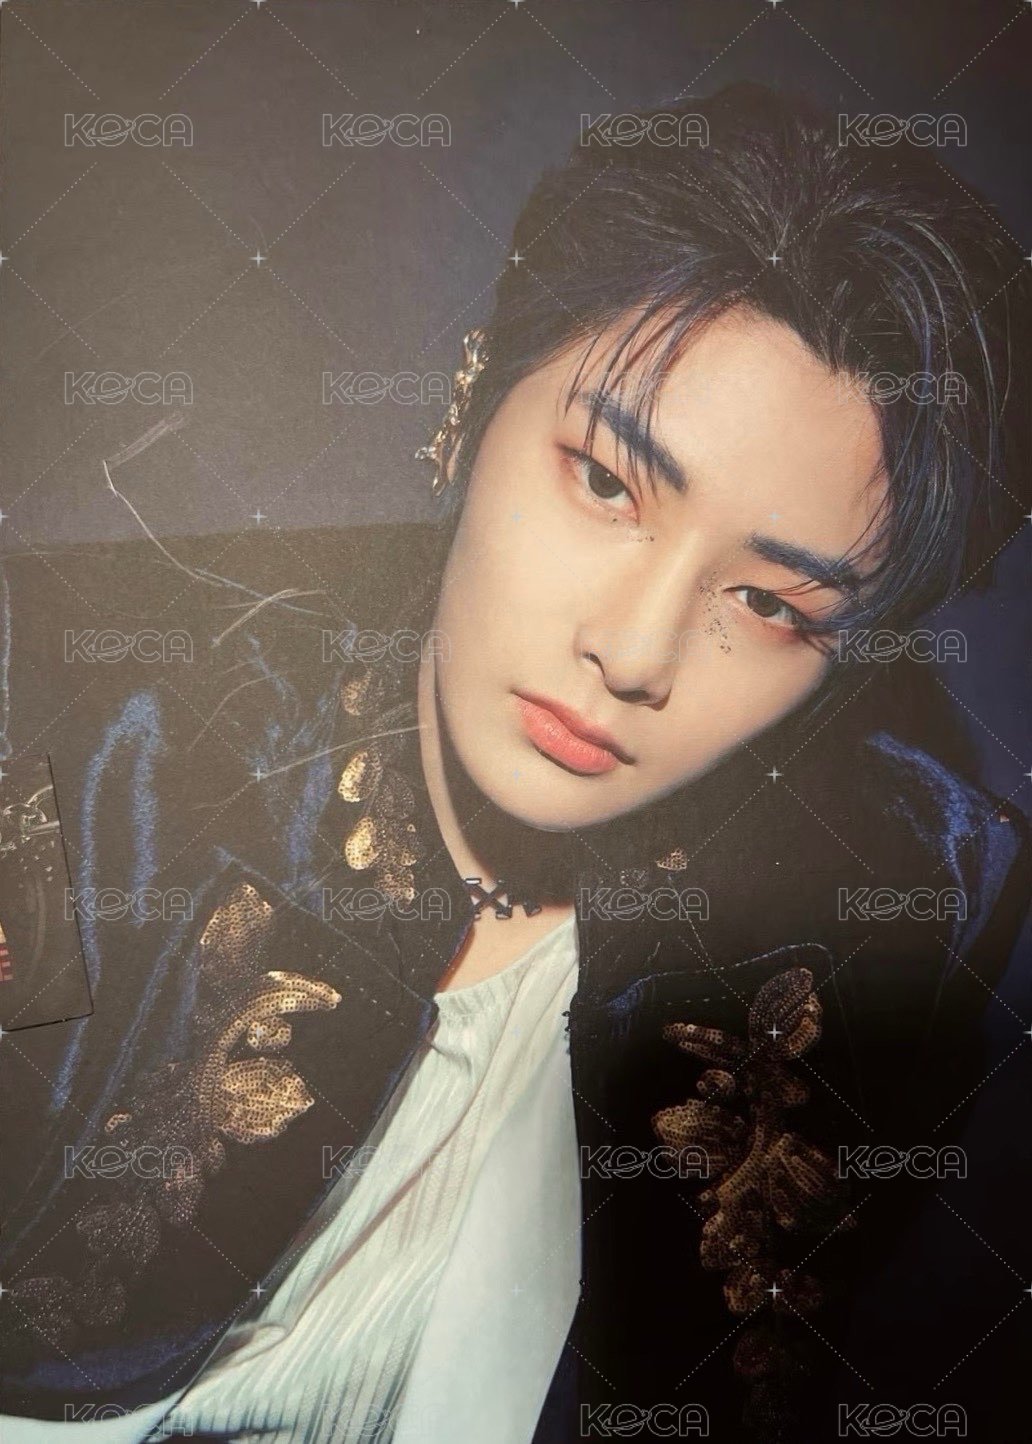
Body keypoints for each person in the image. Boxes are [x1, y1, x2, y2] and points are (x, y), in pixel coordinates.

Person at [1, 82, 1029, 1442]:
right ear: (470, 398)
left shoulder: (894, 918)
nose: (635, 651)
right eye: (606, 481)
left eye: (769, 604)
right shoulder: (93, 740)